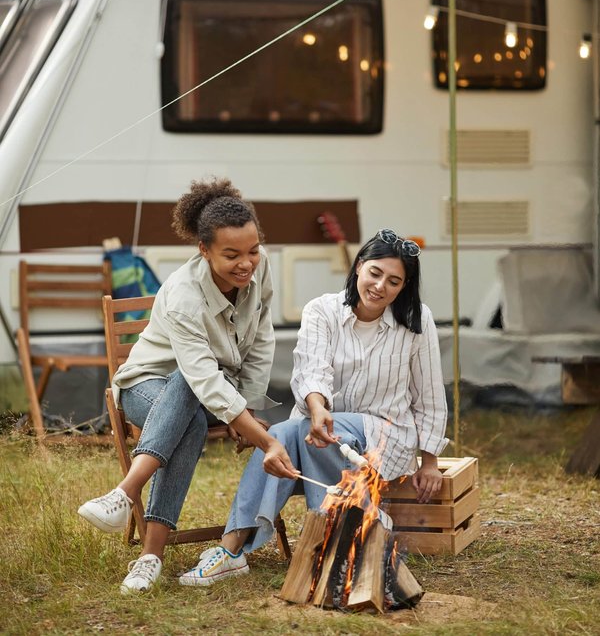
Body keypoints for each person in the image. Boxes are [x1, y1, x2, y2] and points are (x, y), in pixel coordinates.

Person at [178, 228, 448, 586]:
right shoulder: (322, 311)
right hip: (319, 434)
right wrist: (318, 408)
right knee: (287, 432)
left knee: (286, 432)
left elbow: (429, 392)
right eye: (375, 273)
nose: (381, 286)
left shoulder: (417, 321)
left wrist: (429, 460)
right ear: (358, 268)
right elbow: (311, 369)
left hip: (384, 438)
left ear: (404, 287)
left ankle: (241, 550)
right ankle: (340, 532)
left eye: (394, 281)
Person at [78, 177, 297, 593]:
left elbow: (263, 336)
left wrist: (246, 405)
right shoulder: (183, 295)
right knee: (187, 391)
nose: (246, 263)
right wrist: (262, 437)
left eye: (252, 250)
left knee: (194, 402)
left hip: (215, 388)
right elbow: (199, 377)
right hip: (147, 385)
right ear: (204, 249)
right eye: (231, 255)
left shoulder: (260, 265)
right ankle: (148, 553)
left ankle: (126, 499)